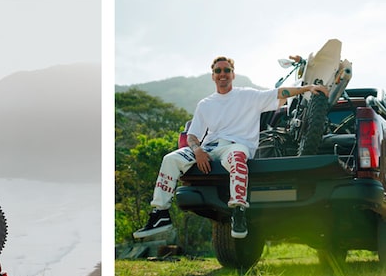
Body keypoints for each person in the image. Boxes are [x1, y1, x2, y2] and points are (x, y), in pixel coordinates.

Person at [134, 55, 329, 240]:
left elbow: (280, 93)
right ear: (213, 76)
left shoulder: (248, 96)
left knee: (237, 158)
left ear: (233, 74)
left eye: (227, 70)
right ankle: (160, 214)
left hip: (236, 147)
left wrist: (308, 88)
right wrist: (197, 150)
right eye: (218, 71)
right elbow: (193, 135)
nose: (223, 74)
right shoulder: (205, 104)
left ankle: (238, 212)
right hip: (209, 149)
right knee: (170, 159)